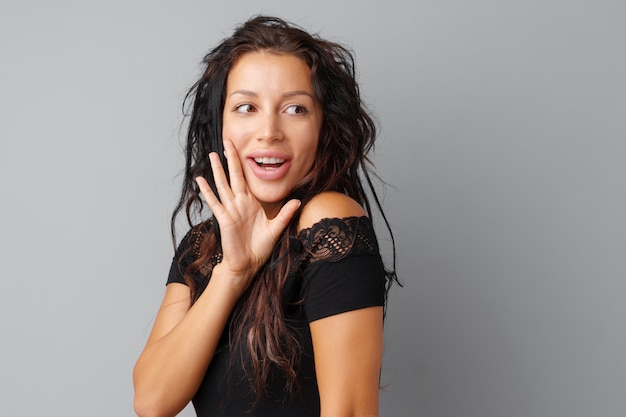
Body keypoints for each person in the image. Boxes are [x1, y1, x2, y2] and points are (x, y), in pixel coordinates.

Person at [133, 15, 397, 417]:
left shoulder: (328, 222)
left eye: (295, 108)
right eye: (246, 107)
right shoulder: (203, 244)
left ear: (323, 126)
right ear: (220, 122)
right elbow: (152, 401)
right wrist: (232, 274)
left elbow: (352, 411)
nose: (269, 131)